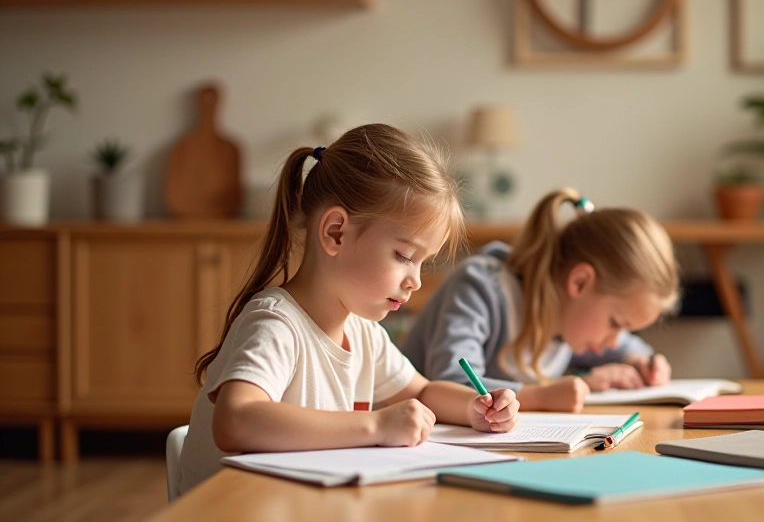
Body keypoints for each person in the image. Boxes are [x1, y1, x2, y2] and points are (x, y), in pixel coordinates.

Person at [178, 124, 519, 494]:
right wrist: (375, 426)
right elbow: (235, 422)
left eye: (423, 262)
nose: (415, 281)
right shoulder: (276, 324)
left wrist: (475, 408)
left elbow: (421, 393)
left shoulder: (362, 332)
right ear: (336, 232)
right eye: (404, 256)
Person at [401, 187, 679, 413]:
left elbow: (622, 348)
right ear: (580, 282)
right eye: (616, 323)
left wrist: (643, 359)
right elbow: (451, 382)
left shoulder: (567, 319)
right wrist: (540, 397)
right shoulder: (481, 288)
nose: (614, 340)